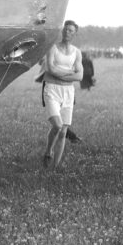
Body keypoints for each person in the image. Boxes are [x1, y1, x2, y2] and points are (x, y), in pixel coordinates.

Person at [41, 20, 83, 169]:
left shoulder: (76, 52)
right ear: (62, 31)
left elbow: (80, 76)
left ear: (75, 34)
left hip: (68, 92)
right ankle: (48, 151)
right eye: (65, 29)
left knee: (64, 130)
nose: (67, 32)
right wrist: (70, 72)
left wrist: (61, 74)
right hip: (52, 89)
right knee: (57, 125)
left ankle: (55, 167)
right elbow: (51, 69)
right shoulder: (52, 48)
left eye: (71, 30)